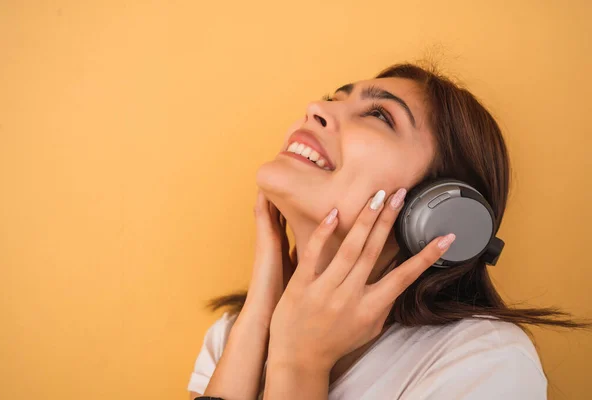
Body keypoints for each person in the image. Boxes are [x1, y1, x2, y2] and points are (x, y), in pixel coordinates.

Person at [186, 62, 591, 400]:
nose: (315, 108)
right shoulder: (231, 336)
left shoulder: (486, 361)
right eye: (332, 98)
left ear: (440, 210)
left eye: (380, 115)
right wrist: (258, 318)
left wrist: (300, 363)